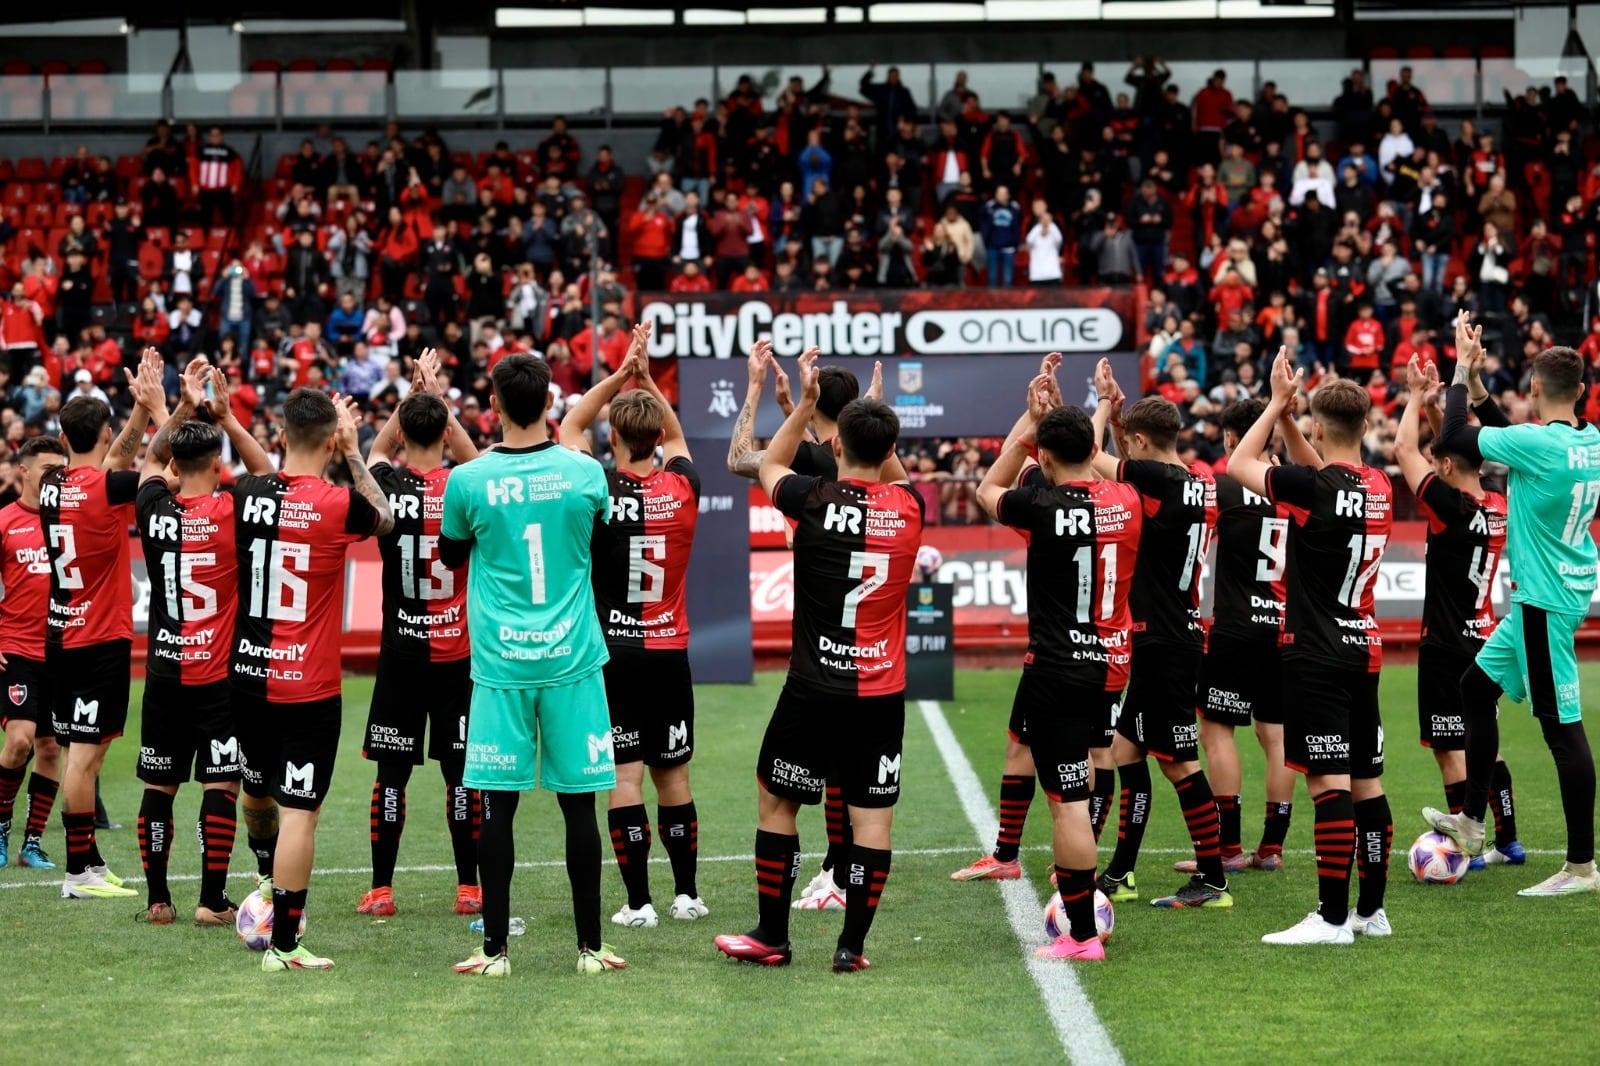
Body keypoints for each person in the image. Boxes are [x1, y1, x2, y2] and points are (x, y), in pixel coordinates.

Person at [714, 347, 922, 972]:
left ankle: (772, 936)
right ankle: (851, 948)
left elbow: (767, 461)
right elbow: (898, 474)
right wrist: (877, 417)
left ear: (835, 447)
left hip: (812, 685)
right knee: (872, 821)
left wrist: (800, 402)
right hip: (880, 693)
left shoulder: (809, 498)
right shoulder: (910, 509)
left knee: (776, 798)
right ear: (889, 451)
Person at [441, 353, 624, 978]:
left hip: (500, 666)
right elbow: (601, 553)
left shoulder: (467, 480)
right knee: (580, 808)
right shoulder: (585, 473)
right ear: (550, 401)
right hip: (573, 658)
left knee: (497, 807)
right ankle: (590, 950)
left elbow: (449, 555)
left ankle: (494, 952)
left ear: (494, 404)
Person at [970, 369, 1142, 964]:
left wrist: (1030, 426)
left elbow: (985, 489)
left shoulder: (1037, 504)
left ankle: (1081, 935)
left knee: (1066, 800)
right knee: (1089, 776)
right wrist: (1070, 420)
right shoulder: (1127, 499)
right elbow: (1089, 459)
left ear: (1042, 455)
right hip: (1112, 664)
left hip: (1058, 668)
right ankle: (1082, 913)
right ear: (1095, 452)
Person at [1426, 320, 1600, 896]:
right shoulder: (1587, 438)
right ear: (1579, 391)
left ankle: (1580, 866)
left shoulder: (1536, 443)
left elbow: (1454, 436)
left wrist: (1459, 372)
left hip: (1544, 603)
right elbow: (1518, 440)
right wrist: (1477, 390)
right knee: (1475, 689)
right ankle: (1473, 822)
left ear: (1531, 387)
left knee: (1562, 731)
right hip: (1553, 593)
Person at [1230, 349, 1395, 945]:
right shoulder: (1378, 485)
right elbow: (1323, 472)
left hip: (1316, 653)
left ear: (1322, 429)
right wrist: (1298, 423)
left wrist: (1277, 404)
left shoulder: (1314, 486)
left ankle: (1329, 920)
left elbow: (1239, 460)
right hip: (1364, 649)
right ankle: (1370, 912)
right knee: (1367, 783)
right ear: (1367, 426)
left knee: (1328, 785)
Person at [234, 389, 392, 971]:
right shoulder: (337, 505)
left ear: (280, 436)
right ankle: (285, 946)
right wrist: (354, 453)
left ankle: (261, 872)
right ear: (332, 439)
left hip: (247, 676)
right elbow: (387, 519)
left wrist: (228, 419)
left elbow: (263, 475)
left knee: (259, 791)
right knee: (302, 812)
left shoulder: (247, 494)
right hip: (308, 687)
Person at [559, 324, 707, 928]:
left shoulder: (595, 484)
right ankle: (687, 895)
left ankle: (638, 902)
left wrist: (621, 374)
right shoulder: (684, 485)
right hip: (669, 650)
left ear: (614, 436)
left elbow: (569, 426)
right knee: (674, 773)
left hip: (612, 652)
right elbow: (673, 432)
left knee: (625, 775)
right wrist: (645, 383)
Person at [725, 342, 880, 912]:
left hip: (823, 639)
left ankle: (837, 874)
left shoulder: (812, 469)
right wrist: (807, 406)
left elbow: (743, 456)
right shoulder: (863, 465)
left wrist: (760, 390)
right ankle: (841, 870)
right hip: (873, 641)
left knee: (794, 781)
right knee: (850, 769)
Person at [133, 360, 275, 925]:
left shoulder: (152, 508)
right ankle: (211, 900)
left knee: (159, 784)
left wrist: (178, 409)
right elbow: (275, 476)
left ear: (173, 464)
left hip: (165, 672)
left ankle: (158, 900)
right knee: (220, 782)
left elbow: (147, 461)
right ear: (217, 465)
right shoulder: (233, 509)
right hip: (218, 675)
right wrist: (221, 413)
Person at [1087, 361, 1229, 911]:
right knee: (1126, 751)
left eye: (1132, 443)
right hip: (1178, 629)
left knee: (1178, 762)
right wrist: (1122, 416)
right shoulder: (1199, 480)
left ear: (1142, 442)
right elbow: (1129, 463)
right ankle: (1122, 873)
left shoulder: (1151, 478)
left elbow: (1088, 459)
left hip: (1163, 638)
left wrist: (1102, 408)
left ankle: (1213, 879)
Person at [356, 350, 483, 920]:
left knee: (391, 774)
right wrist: (438, 400)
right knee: (462, 774)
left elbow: (375, 451)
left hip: (402, 652)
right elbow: (478, 459)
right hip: (456, 651)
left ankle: (382, 890)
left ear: (406, 429)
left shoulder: (387, 483)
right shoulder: (465, 483)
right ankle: (469, 888)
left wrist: (410, 400)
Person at [1391, 354, 1523, 870]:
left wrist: (1412, 396)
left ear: (1445, 468)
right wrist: (1434, 410)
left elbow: (1403, 449)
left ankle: (1465, 843)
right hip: (1485, 636)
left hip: (1445, 643)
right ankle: (1508, 838)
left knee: (1448, 746)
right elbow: (1448, 455)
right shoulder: (1494, 503)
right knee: (1486, 739)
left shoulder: (1448, 509)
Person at [44, 351, 163, 900]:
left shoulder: (51, 486)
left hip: (60, 632)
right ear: (108, 432)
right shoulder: (109, 487)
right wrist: (165, 409)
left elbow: (111, 459)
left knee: (77, 752)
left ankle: (87, 859)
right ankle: (77, 874)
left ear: (63, 438)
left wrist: (136, 413)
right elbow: (146, 463)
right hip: (97, 638)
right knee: (86, 757)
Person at [1175, 399, 1295, 878]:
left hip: (1236, 626)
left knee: (1217, 731)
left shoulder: (1224, 486)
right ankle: (1271, 848)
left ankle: (1227, 848)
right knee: (1276, 735)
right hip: (1286, 627)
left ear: (1231, 439)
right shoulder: (1296, 486)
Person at [0, 438, 69, 872]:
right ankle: (1, 829)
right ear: (23, 471)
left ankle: (32, 843)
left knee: (49, 748)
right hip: (18, 650)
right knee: (20, 741)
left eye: (60, 471)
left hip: (62, 654)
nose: (55, 478)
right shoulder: (5, 521)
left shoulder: (69, 520)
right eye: (47, 469)